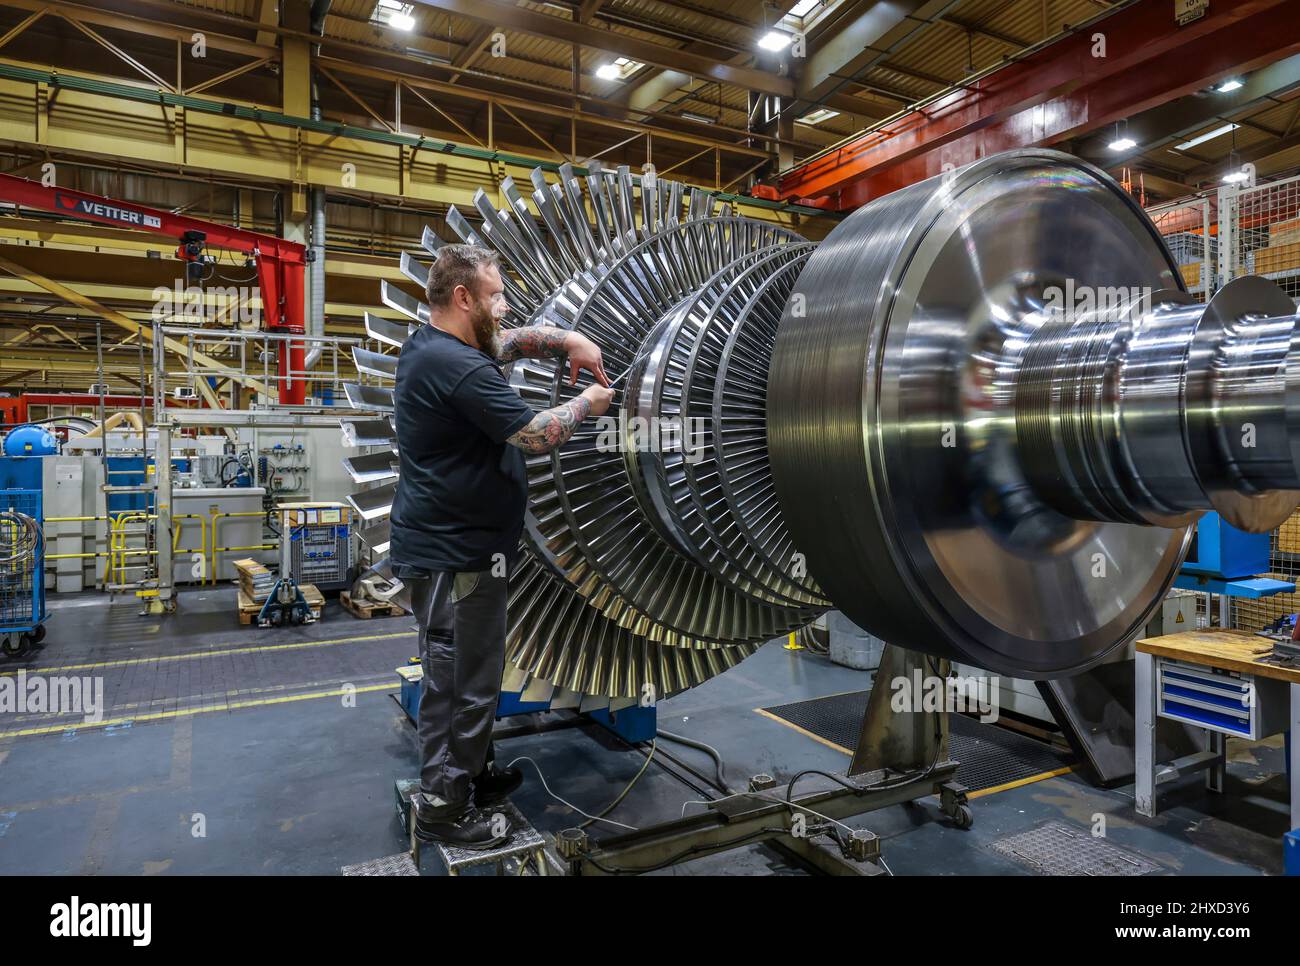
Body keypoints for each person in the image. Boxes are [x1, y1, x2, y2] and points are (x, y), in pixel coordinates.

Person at [390, 244, 614, 849]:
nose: (503, 305)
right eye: (494, 296)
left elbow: (508, 342)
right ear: (463, 298)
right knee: (459, 677)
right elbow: (536, 435)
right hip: (455, 559)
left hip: (463, 553)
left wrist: (568, 341)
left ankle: (471, 773)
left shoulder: (437, 346)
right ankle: (443, 804)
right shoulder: (455, 368)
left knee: (473, 670)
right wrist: (587, 405)